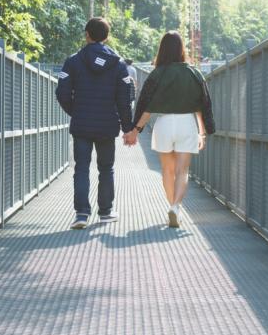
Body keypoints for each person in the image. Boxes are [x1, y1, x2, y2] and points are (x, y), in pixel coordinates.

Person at [125, 31, 215, 228]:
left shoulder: (158, 73)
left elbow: (147, 106)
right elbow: (202, 106)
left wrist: (134, 130)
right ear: (181, 49)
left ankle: (172, 206)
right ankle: (175, 207)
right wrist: (202, 132)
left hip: (164, 124)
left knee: (167, 170)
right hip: (187, 124)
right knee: (183, 171)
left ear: (162, 49)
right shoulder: (193, 73)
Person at [56, 17, 136, 229]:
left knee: (81, 168)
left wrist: (76, 111)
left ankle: (81, 214)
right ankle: (106, 212)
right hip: (107, 125)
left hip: (81, 124)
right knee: (106, 168)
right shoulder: (118, 64)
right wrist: (128, 128)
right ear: (107, 36)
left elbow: (62, 92)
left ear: (87, 35)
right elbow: (124, 99)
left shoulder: (72, 61)